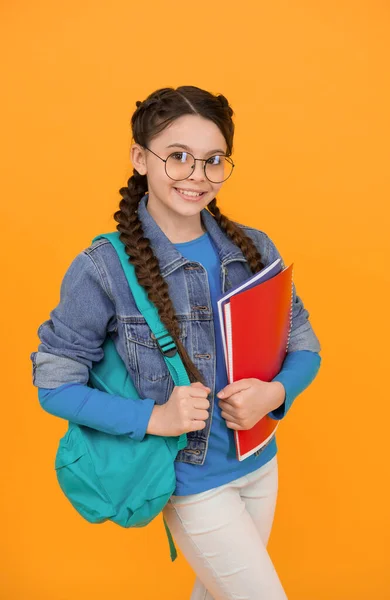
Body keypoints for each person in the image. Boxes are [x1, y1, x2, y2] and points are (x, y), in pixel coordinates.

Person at [30, 85, 321, 599]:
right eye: (179, 157)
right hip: (192, 481)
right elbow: (53, 384)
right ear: (140, 158)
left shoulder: (253, 247)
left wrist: (274, 396)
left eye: (213, 161)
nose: (197, 176)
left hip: (260, 463)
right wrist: (154, 418)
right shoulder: (102, 268)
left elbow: (303, 341)